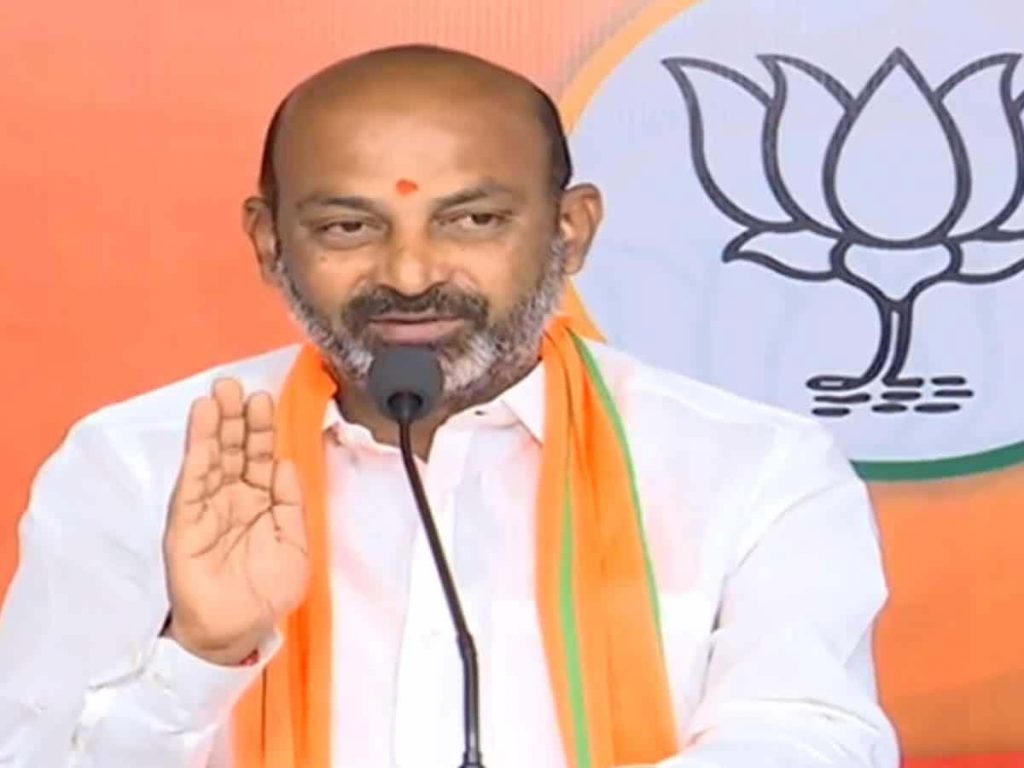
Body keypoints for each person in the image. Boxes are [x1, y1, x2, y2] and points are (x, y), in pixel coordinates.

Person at [0, 45, 897, 768]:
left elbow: (807, 740)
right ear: (270, 244)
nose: (409, 274)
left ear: (571, 230)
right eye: (348, 227)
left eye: (472, 220)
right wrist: (199, 655)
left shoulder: (751, 468)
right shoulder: (140, 465)